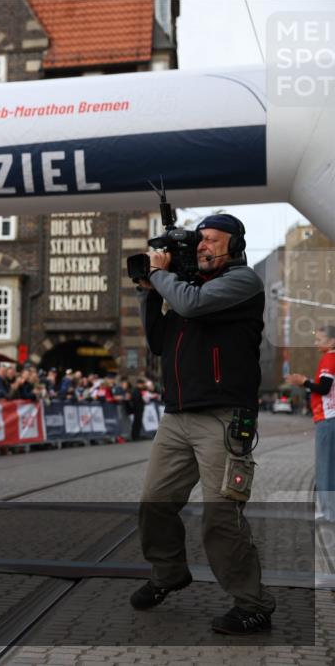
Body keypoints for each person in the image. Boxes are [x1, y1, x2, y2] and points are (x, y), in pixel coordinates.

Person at [133, 213, 274, 634]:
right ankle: (168, 573)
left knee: (221, 517)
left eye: (213, 240)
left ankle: (254, 604)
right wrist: (147, 292)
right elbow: (158, 342)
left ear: (235, 245)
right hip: (177, 416)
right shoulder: (184, 289)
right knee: (153, 504)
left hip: (223, 417)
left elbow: (193, 305)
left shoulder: (243, 282)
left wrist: (161, 277)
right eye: (200, 241)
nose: (203, 246)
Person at [285, 325, 335, 522]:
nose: (316, 343)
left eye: (320, 339)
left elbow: (323, 388)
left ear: (331, 342)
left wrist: (304, 381)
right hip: (330, 418)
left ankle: (327, 512)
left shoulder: (329, 359)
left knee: (325, 468)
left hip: (327, 419)